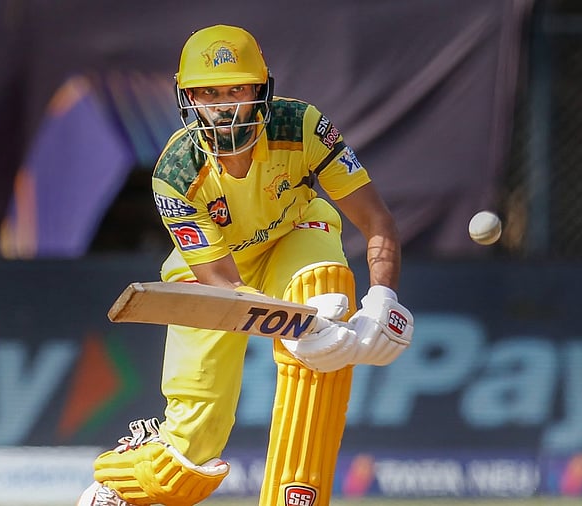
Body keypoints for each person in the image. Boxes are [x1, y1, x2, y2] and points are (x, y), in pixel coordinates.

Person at [78, 24, 413, 506]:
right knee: (187, 459)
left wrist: (383, 300)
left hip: (294, 233)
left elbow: (376, 220)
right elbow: (226, 288)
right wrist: (299, 327)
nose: (224, 107)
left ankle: (297, 495)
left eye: (236, 90)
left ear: (261, 90)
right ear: (187, 98)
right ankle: (120, 478)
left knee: (323, 294)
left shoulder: (301, 126)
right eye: (209, 93)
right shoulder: (176, 174)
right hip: (215, 273)